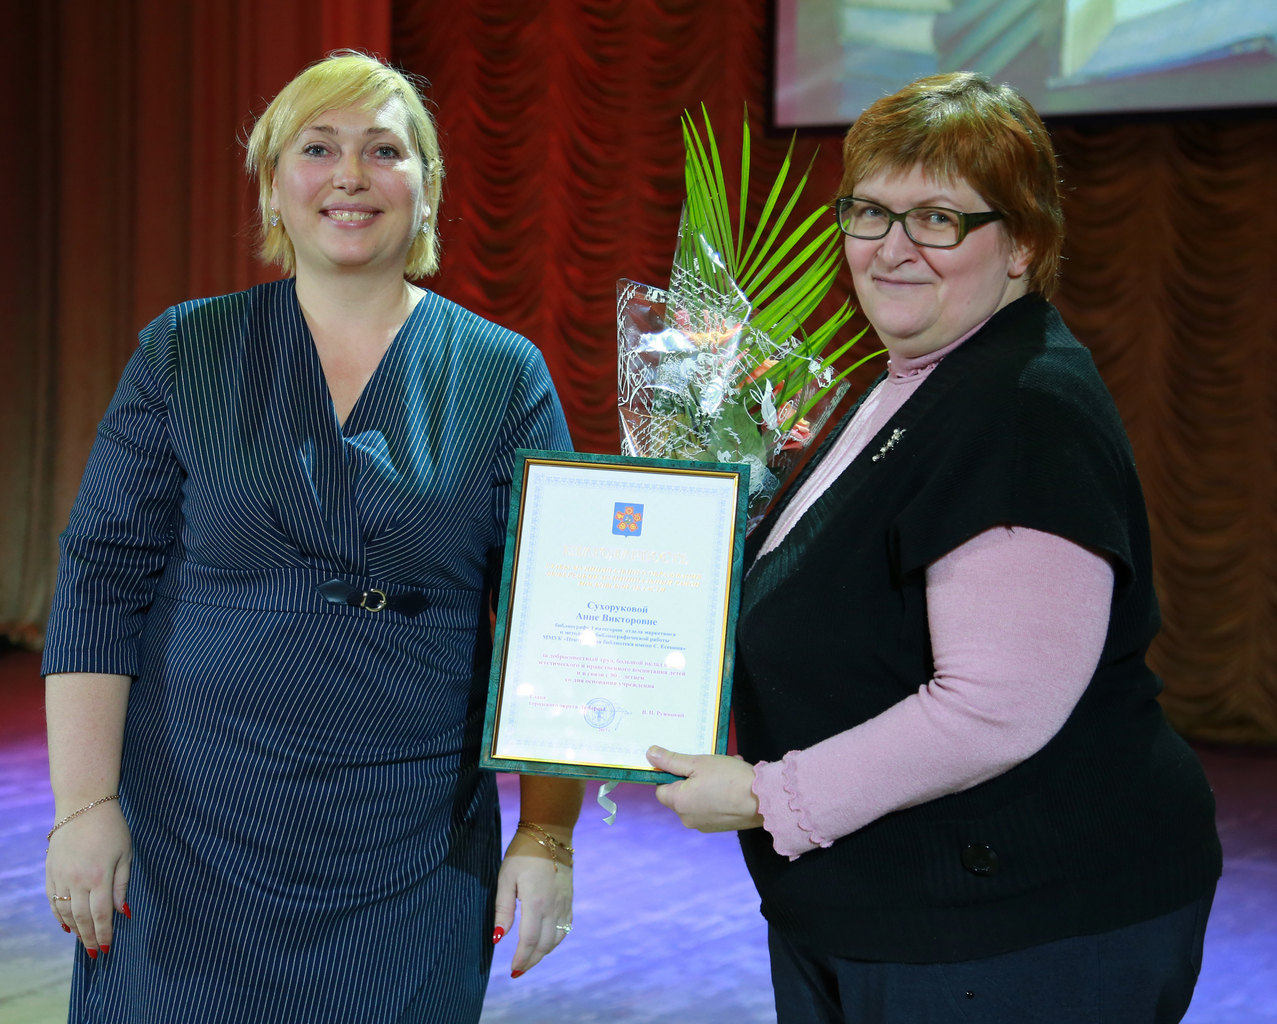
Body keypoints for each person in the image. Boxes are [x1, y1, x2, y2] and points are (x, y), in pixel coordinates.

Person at [646, 73, 1222, 1022]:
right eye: (869, 212)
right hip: (904, 913)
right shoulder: (910, 386)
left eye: (938, 219)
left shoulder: (1022, 405)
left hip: (1018, 928)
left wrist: (768, 797)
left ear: (1022, 244)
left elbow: (993, 710)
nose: (891, 248)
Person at [41, 52, 584, 1024]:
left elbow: (554, 621)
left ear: (427, 188)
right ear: (272, 187)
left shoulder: (503, 373)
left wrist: (546, 835)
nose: (350, 176)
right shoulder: (183, 350)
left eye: (385, 151)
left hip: (411, 852)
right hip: (186, 841)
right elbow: (100, 580)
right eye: (318, 148)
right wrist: (83, 808)